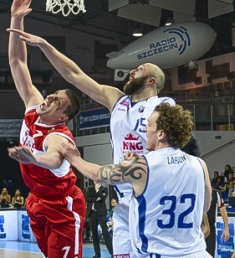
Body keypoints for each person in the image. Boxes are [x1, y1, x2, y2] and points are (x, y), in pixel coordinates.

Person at [8, 0, 175, 258]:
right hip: (123, 196)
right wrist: (45, 45)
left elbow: (180, 144)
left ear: (152, 80)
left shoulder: (163, 104)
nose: (132, 71)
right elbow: (73, 75)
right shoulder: (116, 100)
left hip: (154, 195)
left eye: (139, 69)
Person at [55, 103, 212, 258]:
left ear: (161, 134)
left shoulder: (143, 165)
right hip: (197, 253)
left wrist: (74, 158)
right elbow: (204, 206)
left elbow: (98, 175)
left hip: (160, 253)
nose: (145, 129)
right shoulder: (199, 164)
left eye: (149, 125)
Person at [6, 0, 86, 258]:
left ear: (63, 117)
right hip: (36, 200)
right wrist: (16, 18)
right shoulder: (32, 106)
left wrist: (33, 158)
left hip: (62, 206)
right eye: (54, 93)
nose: (50, 97)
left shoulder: (58, 136)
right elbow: (18, 63)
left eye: (57, 101)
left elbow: (54, 159)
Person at [86, 182, 113, 258]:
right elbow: (87, 198)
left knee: (105, 232)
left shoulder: (104, 188)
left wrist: (98, 191)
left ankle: (112, 252)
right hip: (92, 213)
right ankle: (97, 253)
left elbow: (103, 198)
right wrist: (97, 198)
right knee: (94, 234)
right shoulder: (90, 188)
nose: (95, 181)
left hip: (101, 213)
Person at [205, 189, 230, 256]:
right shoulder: (195, 190)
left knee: (209, 253)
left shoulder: (215, 193)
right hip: (196, 227)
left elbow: (223, 210)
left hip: (210, 227)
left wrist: (226, 228)